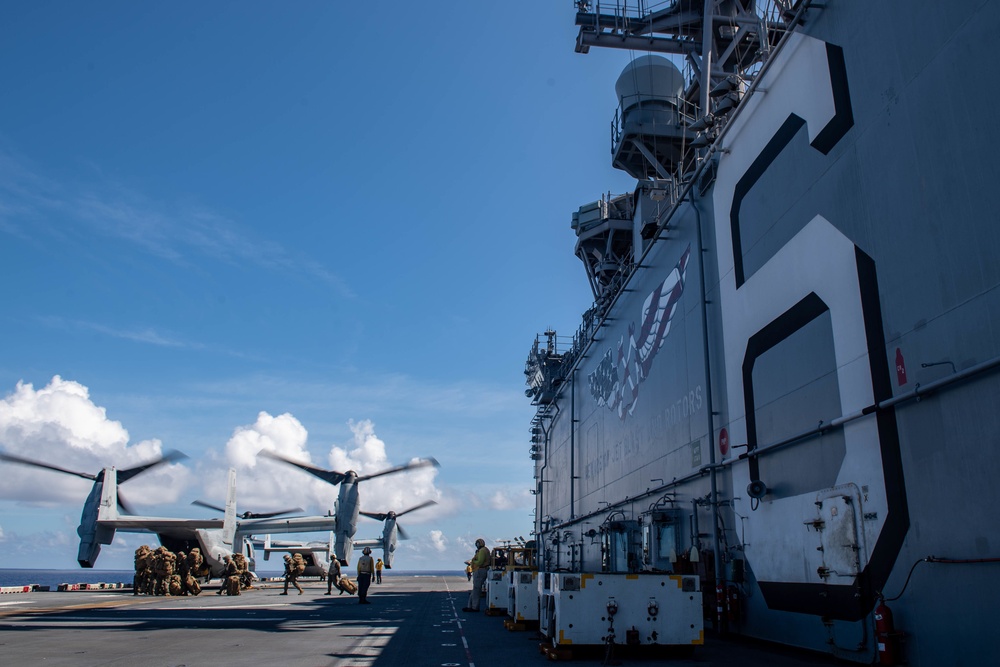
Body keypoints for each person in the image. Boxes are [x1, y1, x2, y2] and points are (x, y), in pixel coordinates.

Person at [462, 538, 490, 612]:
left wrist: (473, 561)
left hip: (480, 570)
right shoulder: (485, 550)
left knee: (476, 590)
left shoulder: (482, 551)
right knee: (475, 590)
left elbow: (480, 562)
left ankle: (474, 607)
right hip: (481, 570)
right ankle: (470, 606)